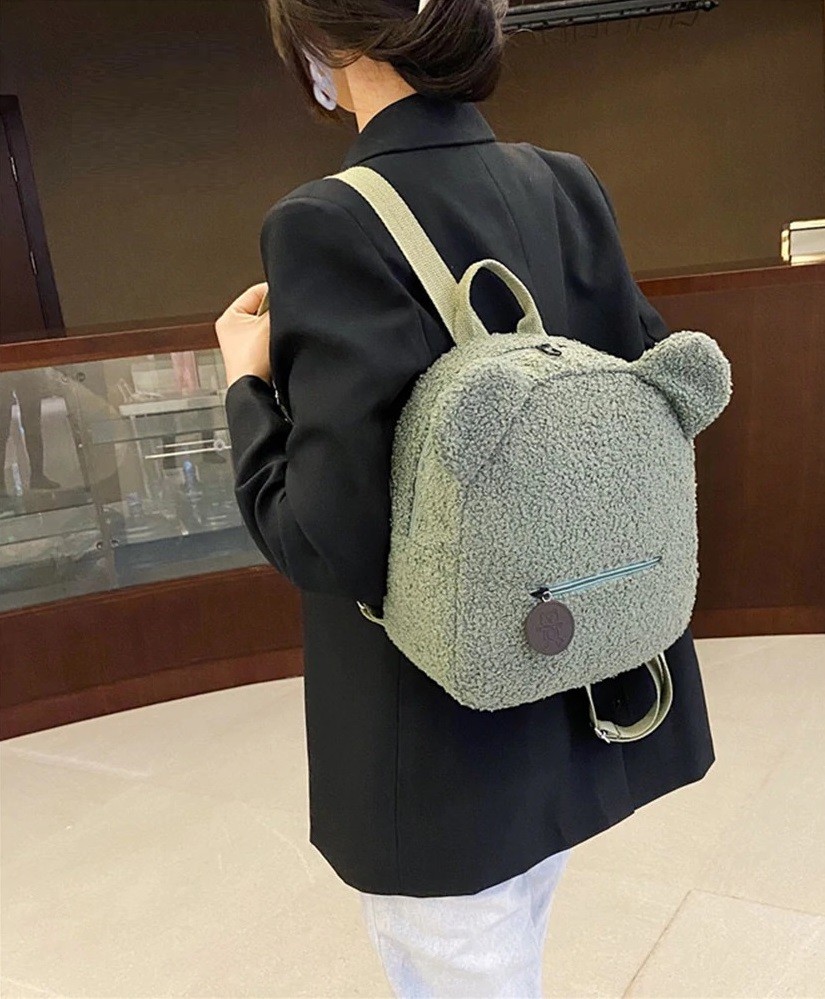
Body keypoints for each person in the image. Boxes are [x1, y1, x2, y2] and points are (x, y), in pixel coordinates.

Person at [215, 1, 716, 995]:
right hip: (581, 673)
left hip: (438, 732)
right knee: (516, 931)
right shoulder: (565, 185)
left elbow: (323, 538)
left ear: (324, 45)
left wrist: (245, 383)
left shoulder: (324, 224)